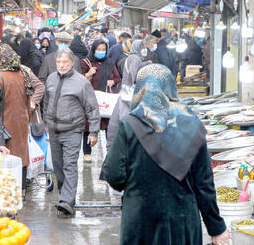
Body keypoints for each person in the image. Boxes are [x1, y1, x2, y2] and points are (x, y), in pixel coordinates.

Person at [100, 64, 230, 245]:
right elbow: (204, 185)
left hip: (141, 223)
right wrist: (217, 228)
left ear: (140, 89)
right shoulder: (192, 126)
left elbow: (114, 175)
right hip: (182, 223)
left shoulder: (129, 126)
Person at [44, 48, 100, 215]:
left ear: (72, 62)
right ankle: (64, 196)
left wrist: (94, 132)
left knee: (69, 165)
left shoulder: (81, 82)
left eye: (65, 62)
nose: (61, 65)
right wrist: (46, 121)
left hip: (72, 130)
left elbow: (92, 107)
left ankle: (67, 201)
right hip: (54, 130)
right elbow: (46, 101)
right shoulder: (51, 78)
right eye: (59, 62)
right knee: (58, 166)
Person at [0, 44, 33, 192]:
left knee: (5, 156)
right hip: (21, 121)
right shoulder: (24, 74)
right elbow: (29, 100)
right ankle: (21, 189)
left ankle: (6, 190)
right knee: (21, 156)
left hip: (5, 122)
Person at [80, 39, 121, 162]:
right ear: (93, 50)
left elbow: (118, 77)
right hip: (90, 99)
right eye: (99, 49)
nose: (101, 52)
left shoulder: (109, 62)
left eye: (103, 50)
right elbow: (78, 79)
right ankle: (87, 153)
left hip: (106, 101)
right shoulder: (85, 62)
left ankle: (110, 151)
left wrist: (113, 81)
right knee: (88, 125)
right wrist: (88, 74)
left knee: (109, 125)